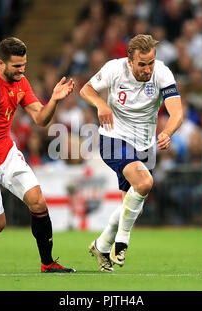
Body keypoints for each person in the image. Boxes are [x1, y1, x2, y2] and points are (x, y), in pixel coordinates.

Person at [0, 37, 76, 273]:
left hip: (6, 151)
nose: (22, 70)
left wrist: (54, 100)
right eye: (17, 66)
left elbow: (41, 119)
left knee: (38, 201)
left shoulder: (21, 82)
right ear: (1, 64)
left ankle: (47, 263)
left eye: (24, 65)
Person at [80, 34, 183, 271]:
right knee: (145, 182)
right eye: (142, 64)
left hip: (144, 144)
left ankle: (101, 244)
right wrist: (101, 104)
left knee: (134, 201)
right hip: (113, 137)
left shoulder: (162, 73)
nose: (147, 69)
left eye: (151, 63)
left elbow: (176, 113)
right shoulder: (114, 69)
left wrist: (167, 132)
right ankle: (122, 241)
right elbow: (86, 90)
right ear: (130, 61)